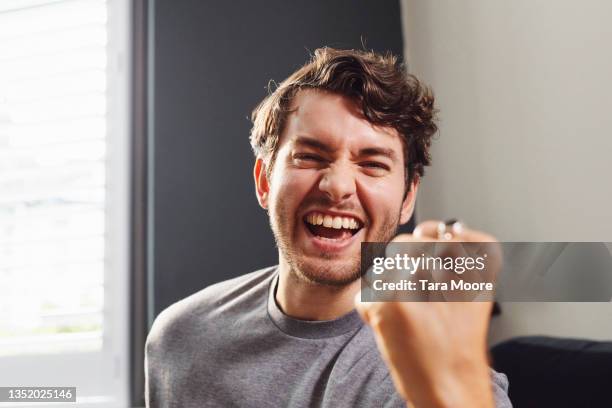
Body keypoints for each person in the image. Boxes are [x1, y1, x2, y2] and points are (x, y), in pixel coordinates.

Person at [145, 47, 512, 407]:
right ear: (264, 182)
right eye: (309, 156)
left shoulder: (441, 382)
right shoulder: (180, 338)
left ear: (407, 198)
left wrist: (454, 384)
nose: (337, 186)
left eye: (372, 164)